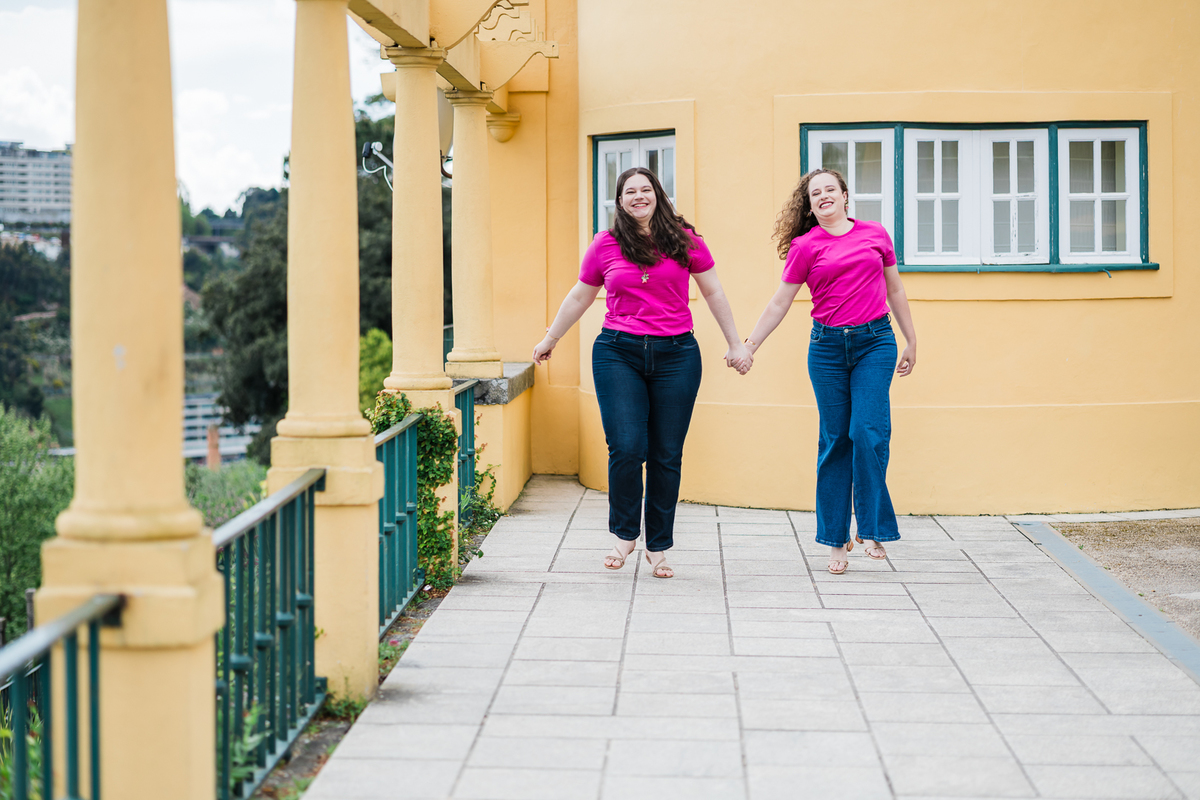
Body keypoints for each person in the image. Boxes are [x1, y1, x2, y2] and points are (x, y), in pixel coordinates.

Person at [532, 167, 751, 578]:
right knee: (628, 448)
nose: (638, 196)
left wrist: (735, 343)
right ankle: (624, 534)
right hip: (619, 352)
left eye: (645, 189)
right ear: (619, 201)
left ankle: (659, 546)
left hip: (677, 354)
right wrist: (551, 338)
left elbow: (714, 291)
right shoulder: (606, 244)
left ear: (658, 195)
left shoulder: (686, 241)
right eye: (629, 191)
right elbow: (581, 294)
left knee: (666, 454)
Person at [740, 168, 916, 574]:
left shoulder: (875, 234)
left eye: (829, 190)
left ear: (845, 195)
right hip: (827, 349)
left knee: (868, 432)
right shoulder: (806, 246)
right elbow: (780, 303)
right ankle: (836, 539)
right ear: (811, 203)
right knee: (836, 440)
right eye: (815, 193)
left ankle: (871, 529)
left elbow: (896, 290)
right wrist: (750, 345)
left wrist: (912, 339)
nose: (823, 197)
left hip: (876, 342)